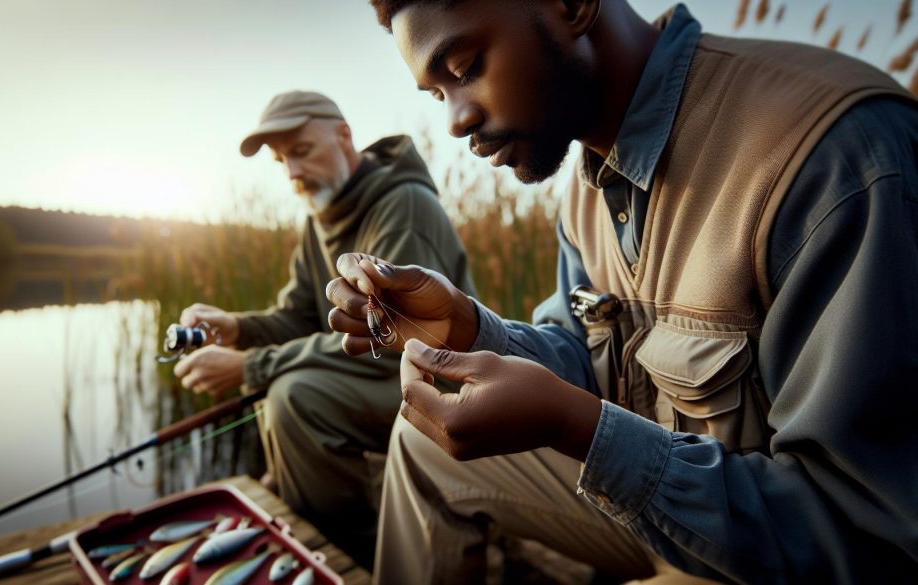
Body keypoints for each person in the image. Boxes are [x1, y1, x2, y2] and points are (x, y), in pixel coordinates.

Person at [325, 1, 918, 583]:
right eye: (437, 94)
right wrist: (469, 331)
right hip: (661, 508)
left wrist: (578, 428)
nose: (455, 120)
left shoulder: (832, 158)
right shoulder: (585, 189)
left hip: (781, 548)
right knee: (419, 440)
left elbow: (868, 536)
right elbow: (586, 354)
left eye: (465, 69)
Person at [174, 90, 474, 568]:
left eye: (301, 151)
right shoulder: (318, 218)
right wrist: (235, 328)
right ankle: (312, 536)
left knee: (297, 397)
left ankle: (348, 559)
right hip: (377, 377)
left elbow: (389, 334)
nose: (292, 172)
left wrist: (251, 365)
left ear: (344, 135)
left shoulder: (403, 206)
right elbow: (296, 318)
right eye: (280, 161)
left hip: (435, 382)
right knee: (284, 389)